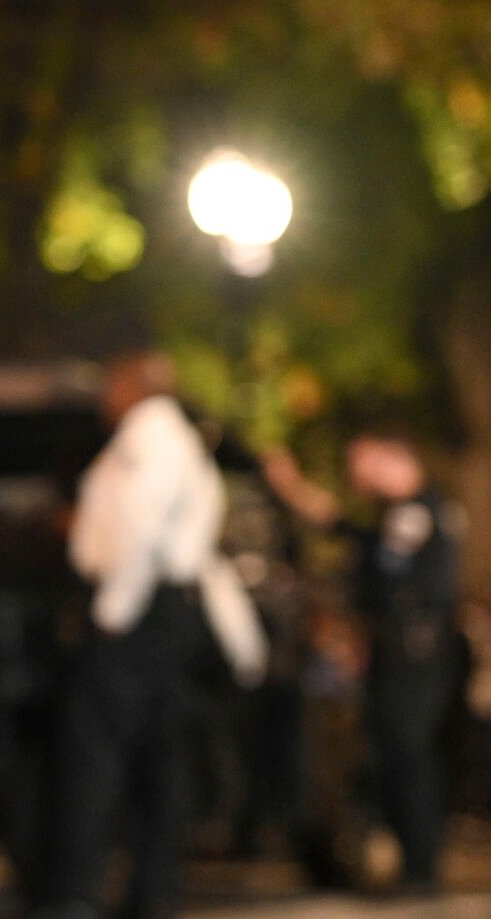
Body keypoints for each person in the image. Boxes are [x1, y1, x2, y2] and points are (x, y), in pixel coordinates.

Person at [43, 352, 225, 919]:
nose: (105, 395)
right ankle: (147, 891)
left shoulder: (153, 439)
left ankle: (81, 892)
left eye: (113, 383)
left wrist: (112, 615)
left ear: (136, 386)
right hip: (156, 613)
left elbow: (140, 534)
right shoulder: (164, 439)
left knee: (100, 757)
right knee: (155, 759)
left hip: (140, 613)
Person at [262, 427, 462, 893]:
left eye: (364, 463)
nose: (356, 476)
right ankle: (411, 863)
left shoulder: (421, 512)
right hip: (395, 657)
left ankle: (421, 868)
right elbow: (343, 529)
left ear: (394, 457)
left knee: (408, 756)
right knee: (392, 755)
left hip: (416, 658)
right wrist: (291, 487)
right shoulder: (393, 518)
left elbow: (395, 580)